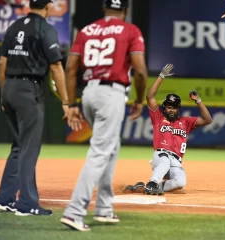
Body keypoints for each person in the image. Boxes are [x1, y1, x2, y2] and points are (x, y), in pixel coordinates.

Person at [60, 0, 147, 232]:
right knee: (100, 152)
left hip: (88, 93)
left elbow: (70, 68)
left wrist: (70, 102)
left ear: (104, 8)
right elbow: (139, 70)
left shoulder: (87, 30)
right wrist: (139, 99)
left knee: (111, 147)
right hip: (111, 93)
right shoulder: (130, 30)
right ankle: (75, 211)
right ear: (125, 10)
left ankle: (104, 208)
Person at [0, 0, 69, 216]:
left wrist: (4, 94)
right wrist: (66, 101)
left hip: (9, 86)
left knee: (19, 145)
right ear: (47, 7)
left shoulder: (14, 26)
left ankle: (4, 198)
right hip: (29, 90)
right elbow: (56, 66)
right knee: (29, 147)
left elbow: (2, 63)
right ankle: (27, 203)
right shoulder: (45, 28)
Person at [123, 64, 213, 195]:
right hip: (160, 156)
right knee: (164, 160)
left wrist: (198, 100)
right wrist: (161, 76)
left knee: (180, 182)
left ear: (178, 109)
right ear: (164, 108)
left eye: (174, 107)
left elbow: (208, 120)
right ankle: (152, 183)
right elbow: (150, 97)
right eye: (169, 106)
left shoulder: (185, 122)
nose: (171, 109)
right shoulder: (158, 117)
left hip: (176, 161)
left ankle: (145, 186)